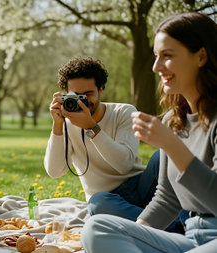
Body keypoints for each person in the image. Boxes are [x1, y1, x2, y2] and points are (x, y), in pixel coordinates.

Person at [81, 11, 217, 252]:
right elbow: (167, 199)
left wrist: (172, 145)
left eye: (167, 56)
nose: (156, 67)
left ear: (201, 56)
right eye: (155, 56)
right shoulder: (172, 121)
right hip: (190, 239)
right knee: (96, 228)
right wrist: (137, 232)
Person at [44, 56, 186, 233]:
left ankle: (189, 220)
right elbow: (55, 171)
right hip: (108, 199)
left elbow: (124, 165)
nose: (82, 102)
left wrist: (91, 127)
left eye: (87, 94)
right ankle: (176, 229)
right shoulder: (66, 122)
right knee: (97, 204)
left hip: (142, 185)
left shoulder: (123, 112)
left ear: (101, 90)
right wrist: (57, 125)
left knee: (163, 156)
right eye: (75, 95)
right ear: (66, 94)